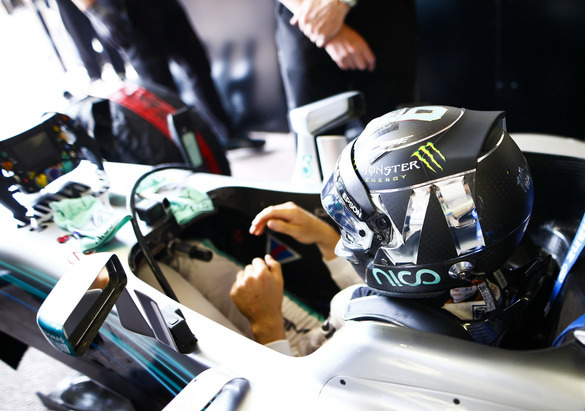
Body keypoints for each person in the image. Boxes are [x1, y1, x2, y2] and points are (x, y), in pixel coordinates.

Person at [230, 105, 542, 355]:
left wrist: (266, 324)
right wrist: (325, 239)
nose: (344, 241)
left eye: (353, 229)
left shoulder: (379, 348)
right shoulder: (477, 280)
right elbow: (403, 291)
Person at [73, 0, 263, 150]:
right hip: (126, 11)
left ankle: (226, 134)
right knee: (163, 92)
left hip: (162, 5)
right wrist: (96, 13)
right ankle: (190, 151)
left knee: (199, 68)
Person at [275, 0, 418, 131]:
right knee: (315, 141)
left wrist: (340, 3)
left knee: (393, 139)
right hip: (301, 13)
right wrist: (320, 23)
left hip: (384, 14)